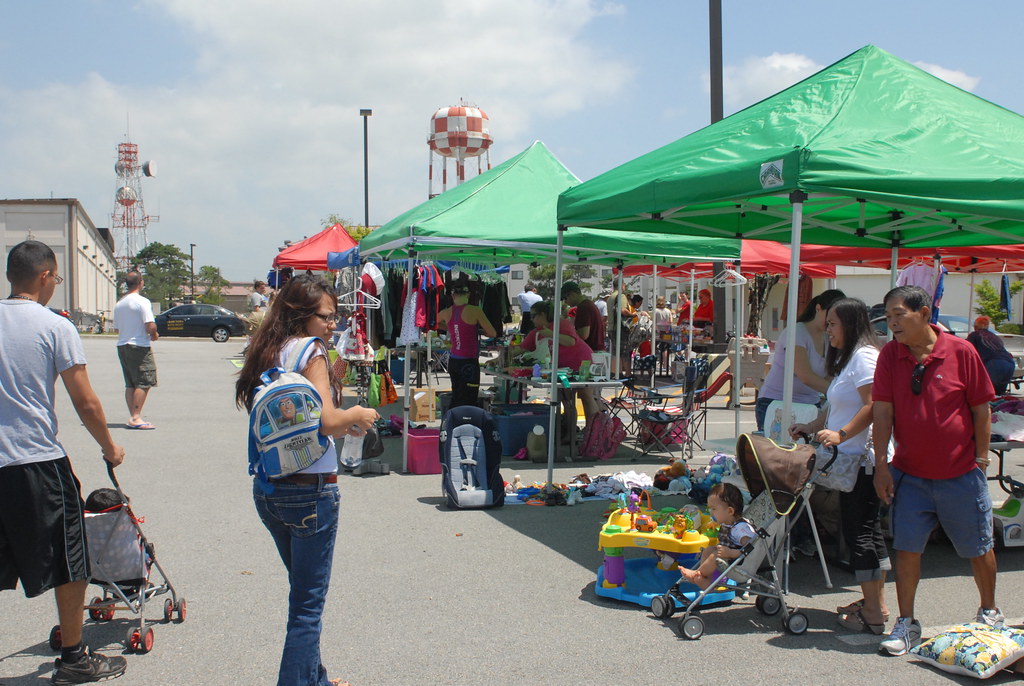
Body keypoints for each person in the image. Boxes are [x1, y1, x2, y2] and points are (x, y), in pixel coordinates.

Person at [235, 274, 378, 686]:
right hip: (311, 492)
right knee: (307, 606)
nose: (333, 325)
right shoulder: (313, 352)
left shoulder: (269, 349)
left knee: (302, 594)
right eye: (327, 317)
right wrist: (358, 415)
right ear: (303, 315)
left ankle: (315, 678)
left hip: (270, 487)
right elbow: (330, 419)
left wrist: (333, 425)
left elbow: (302, 421)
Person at [0, 240, 129, 684]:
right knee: (69, 559)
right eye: (54, 277)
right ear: (44, 276)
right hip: (35, 459)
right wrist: (110, 446)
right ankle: (74, 658)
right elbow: (85, 401)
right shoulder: (55, 326)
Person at [872, 285, 1000, 657]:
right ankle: (907, 623)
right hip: (909, 474)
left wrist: (981, 459)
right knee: (907, 548)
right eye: (888, 316)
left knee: (978, 546)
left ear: (925, 314)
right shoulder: (889, 357)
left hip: (960, 472)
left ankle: (989, 611)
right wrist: (882, 465)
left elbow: (981, 409)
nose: (892, 323)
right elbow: (882, 412)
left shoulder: (962, 351)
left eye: (899, 314)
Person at [788, 298, 891, 635]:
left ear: (849, 323)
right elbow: (837, 408)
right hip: (850, 458)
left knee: (861, 533)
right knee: (866, 531)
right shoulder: (851, 359)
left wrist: (842, 433)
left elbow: (874, 405)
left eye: (833, 324)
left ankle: (873, 613)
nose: (827, 330)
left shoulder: (863, 357)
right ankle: (876, 603)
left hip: (863, 460)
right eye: (827, 323)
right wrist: (813, 425)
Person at [755, 289, 846, 432]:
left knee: (808, 451)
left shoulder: (829, 337)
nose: (830, 323)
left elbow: (829, 374)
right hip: (777, 404)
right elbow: (805, 376)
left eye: (837, 320)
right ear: (818, 308)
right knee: (779, 452)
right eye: (829, 316)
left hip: (811, 405)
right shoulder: (796, 332)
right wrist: (838, 393)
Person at [514, 301, 596, 438]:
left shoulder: (562, 324)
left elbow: (570, 342)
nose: (532, 320)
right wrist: (502, 355)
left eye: (534, 316)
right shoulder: (536, 333)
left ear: (543, 314)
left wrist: (550, 333)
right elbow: (521, 349)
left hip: (582, 362)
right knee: (566, 401)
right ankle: (570, 435)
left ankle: (593, 436)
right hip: (562, 371)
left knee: (586, 397)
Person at [678, 483, 755, 590]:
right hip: (727, 554)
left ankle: (697, 574)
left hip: (738, 560)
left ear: (730, 511)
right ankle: (706, 580)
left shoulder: (741, 529)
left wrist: (731, 553)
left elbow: (751, 547)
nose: (710, 512)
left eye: (713, 509)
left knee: (715, 555)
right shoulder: (728, 522)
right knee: (709, 549)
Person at [437, 281, 497, 409]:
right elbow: (492, 333)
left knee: (457, 395)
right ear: (468, 295)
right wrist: (477, 330)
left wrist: (451, 328)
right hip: (469, 361)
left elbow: (432, 323)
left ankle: (454, 422)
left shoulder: (446, 312)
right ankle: (467, 424)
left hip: (454, 360)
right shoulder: (475, 310)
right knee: (469, 397)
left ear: (453, 296)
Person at [113, 270, 159, 430]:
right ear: (141, 283)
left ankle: (133, 414)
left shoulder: (120, 303)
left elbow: (117, 327)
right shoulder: (142, 301)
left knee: (130, 383)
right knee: (144, 380)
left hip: (123, 344)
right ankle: (136, 417)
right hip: (139, 345)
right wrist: (153, 333)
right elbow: (150, 324)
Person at [967, 315, 1016, 395]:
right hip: (1009, 363)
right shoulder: (994, 336)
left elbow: (968, 350)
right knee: (999, 393)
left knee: (986, 393)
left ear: (975, 326)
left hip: (994, 363)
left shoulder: (974, 335)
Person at [560, 281, 605, 352]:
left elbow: (583, 335)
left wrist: (568, 335)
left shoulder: (583, 307)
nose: (565, 302)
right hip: (596, 349)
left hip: (591, 350)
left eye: (565, 298)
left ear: (572, 294)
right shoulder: (588, 304)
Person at [606, 287, 636, 377]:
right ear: (622, 285)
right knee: (625, 351)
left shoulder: (611, 297)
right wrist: (632, 314)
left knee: (615, 351)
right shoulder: (621, 296)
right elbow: (623, 310)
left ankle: (614, 372)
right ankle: (626, 373)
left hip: (611, 327)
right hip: (619, 328)